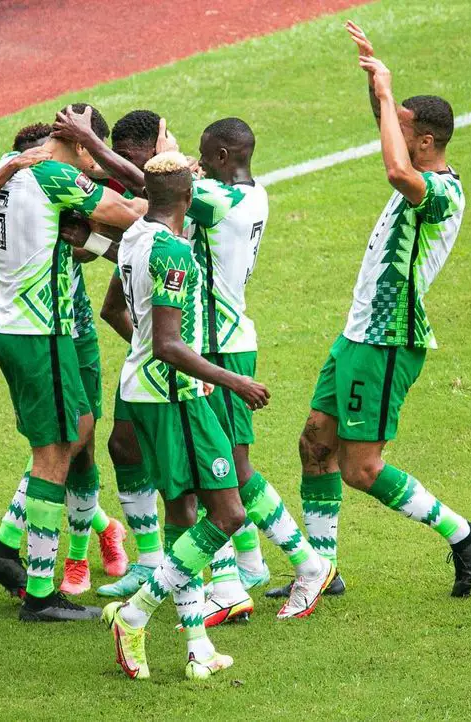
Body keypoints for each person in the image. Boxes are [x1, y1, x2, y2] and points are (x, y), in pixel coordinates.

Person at [57, 110, 334, 623]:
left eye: (204, 159)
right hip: (203, 348)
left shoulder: (224, 202)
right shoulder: (246, 196)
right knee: (207, 471)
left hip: (220, 348)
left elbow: (155, 190)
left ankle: (294, 568)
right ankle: (233, 579)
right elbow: (144, 242)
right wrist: (94, 240)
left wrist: (90, 142)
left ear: (224, 157)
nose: (198, 166)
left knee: (229, 471)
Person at [272, 22, 471, 601]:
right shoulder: (421, 167)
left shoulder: (442, 193)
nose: (389, 132)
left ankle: (465, 534)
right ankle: (322, 570)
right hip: (359, 333)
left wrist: (390, 90)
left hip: (387, 339)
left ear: (425, 142)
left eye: (401, 128)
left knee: (360, 469)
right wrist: (377, 87)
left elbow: (396, 169)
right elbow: (392, 137)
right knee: (315, 444)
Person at [0, 107, 145, 621]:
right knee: (54, 454)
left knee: (75, 430)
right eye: (91, 156)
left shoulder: (11, 165)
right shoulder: (57, 176)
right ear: (81, 145)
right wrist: (176, 182)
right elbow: (135, 216)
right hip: (41, 331)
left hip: (12, 325)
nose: (93, 170)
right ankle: (40, 594)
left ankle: (5, 548)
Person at [102, 151, 268, 679]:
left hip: (144, 391)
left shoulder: (134, 236)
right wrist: (234, 381)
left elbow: (114, 310)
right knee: (229, 515)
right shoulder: (173, 250)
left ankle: (198, 647)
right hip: (176, 395)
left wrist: (152, 358)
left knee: (182, 516)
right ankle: (134, 616)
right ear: (190, 197)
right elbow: (169, 344)